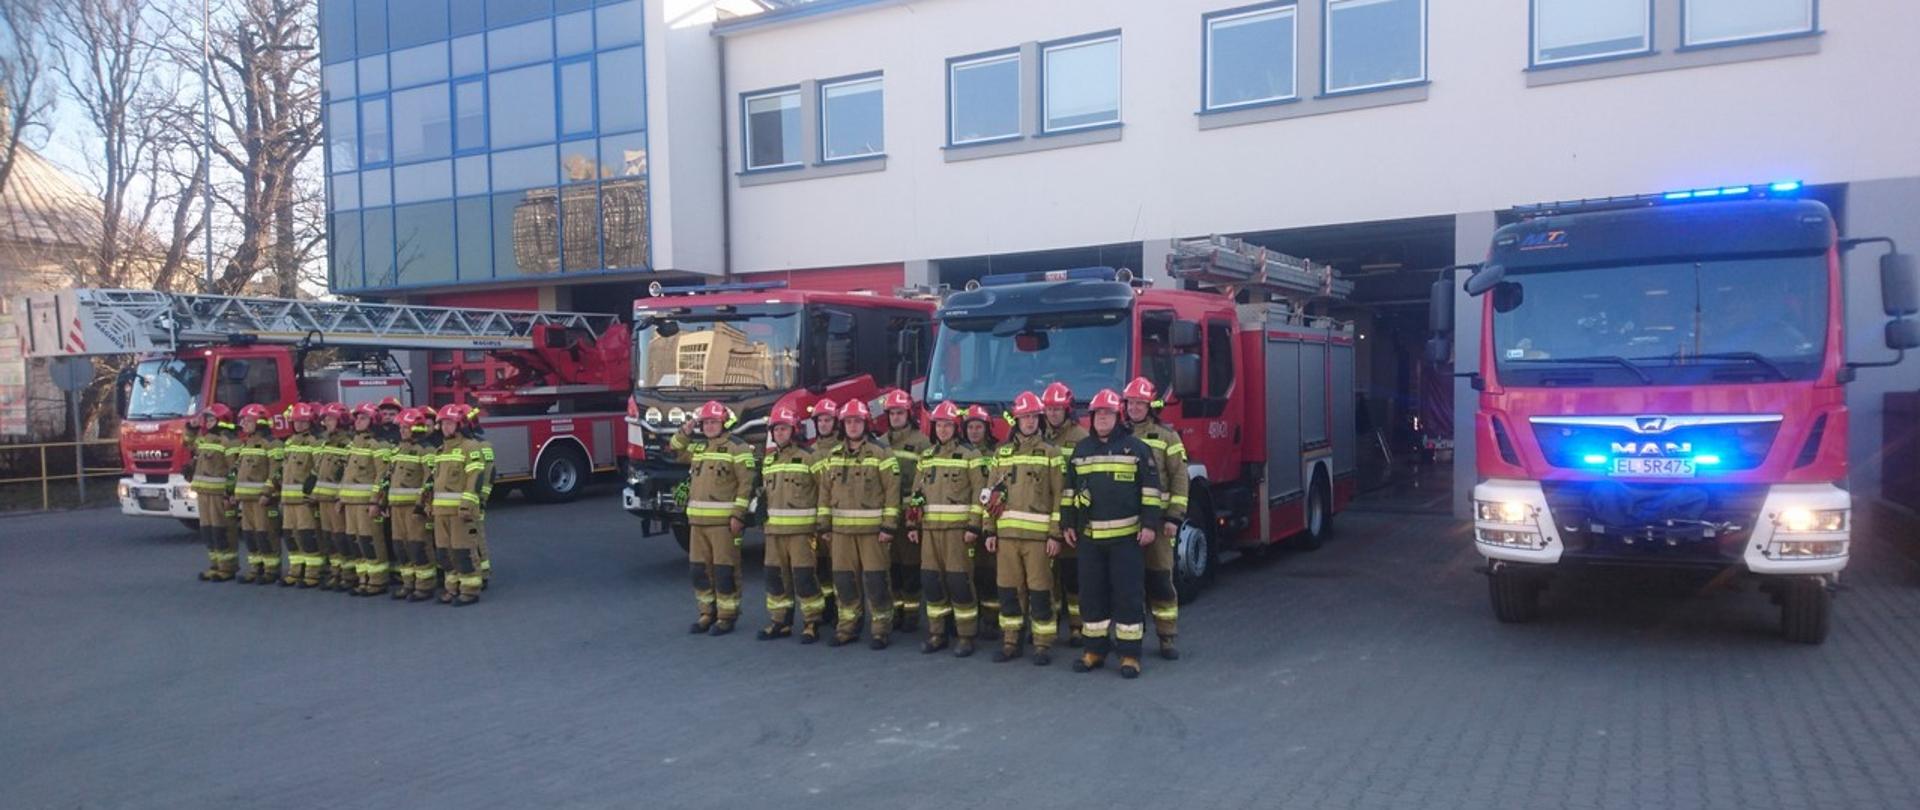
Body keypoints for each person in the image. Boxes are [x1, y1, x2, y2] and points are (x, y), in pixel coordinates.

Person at [1063, 388, 1162, 679]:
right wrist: (1067, 524)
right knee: (1091, 595)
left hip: (1126, 540)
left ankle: (1129, 655)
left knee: (1127, 596)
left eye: (1107, 414)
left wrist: (1149, 525)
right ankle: (1094, 650)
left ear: (1118, 417)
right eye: (1097, 415)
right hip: (1090, 539)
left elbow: (1151, 491)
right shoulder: (1081, 450)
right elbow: (1069, 492)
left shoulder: (1137, 449)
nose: (1102, 419)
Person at [982, 390, 1065, 665]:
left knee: (1040, 591)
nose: (1029, 421)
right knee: (1008, 591)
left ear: (1040, 419)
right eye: (1024, 417)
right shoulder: (1001, 453)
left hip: (1038, 539)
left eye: (1033, 417)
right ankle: (1010, 642)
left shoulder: (1051, 453)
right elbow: (989, 494)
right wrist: (989, 530)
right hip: (1006, 537)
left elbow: (1060, 497)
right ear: (1016, 420)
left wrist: (1055, 535)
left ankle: (1042, 644)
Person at [819, 398, 901, 649]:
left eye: (857, 421)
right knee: (844, 582)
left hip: (872, 533)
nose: (853, 426)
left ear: (866, 423)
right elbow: (824, 492)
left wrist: (889, 526)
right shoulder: (833, 455)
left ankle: (880, 630)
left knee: (876, 582)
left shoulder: (882, 453)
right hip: (841, 533)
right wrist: (824, 525)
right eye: (848, 422)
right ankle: (847, 627)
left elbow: (892, 492)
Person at [669, 400, 756, 635]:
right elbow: (675, 450)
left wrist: (738, 516)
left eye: (713, 422)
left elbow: (746, 485)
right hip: (697, 524)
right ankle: (707, 613)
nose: (709, 426)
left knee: (724, 571)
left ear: (723, 423)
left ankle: (727, 617)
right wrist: (686, 429)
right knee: (699, 571)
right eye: (705, 422)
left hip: (723, 524)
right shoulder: (699, 448)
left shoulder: (738, 448)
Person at [908, 402, 987, 656]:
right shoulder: (926, 456)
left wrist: (974, 526)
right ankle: (937, 633)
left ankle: (965, 636)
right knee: (931, 583)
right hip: (930, 532)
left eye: (947, 425)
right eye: (939, 425)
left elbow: (979, 494)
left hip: (958, 533)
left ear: (956, 428)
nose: (942, 430)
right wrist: (912, 523)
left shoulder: (970, 456)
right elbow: (917, 493)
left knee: (959, 583)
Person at [1123, 376, 1190, 660]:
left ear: (1150, 406)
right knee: (1130, 584)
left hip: (1160, 523)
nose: (1135, 408)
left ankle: (1167, 637)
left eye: (1140, 403)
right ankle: (1132, 637)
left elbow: (1180, 478)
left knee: (1160, 578)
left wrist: (1174, 517)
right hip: (1126, 524)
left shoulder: (1167, 437)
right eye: (1131, 403)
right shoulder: (1117, 435)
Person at [756, 403, 827, 642]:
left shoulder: (810, 457)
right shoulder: (769, 461)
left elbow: (824, 491)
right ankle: (780, 622)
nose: (779, 433)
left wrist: (822, 524)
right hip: (774, 533)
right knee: (775, 578)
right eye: (776, 429)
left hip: (802, 533)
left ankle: (812, 623)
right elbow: (764, 494)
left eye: (784, 429)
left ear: (794, 430)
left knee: (804, 578)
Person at [876, 388, 930, 632]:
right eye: (892, 413)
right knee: (892, 568)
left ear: (909, 414)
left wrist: (915, 518)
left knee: (910, 567)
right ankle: (897, 610)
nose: (896, 417)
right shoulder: (880, 443)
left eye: (900, 413)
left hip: (909, 515)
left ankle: (911, 614)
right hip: (886, 516)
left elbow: (924, 483)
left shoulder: (921, 442)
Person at [1040, 381, 1089, 645]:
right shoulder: (1039, 436)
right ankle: (1050, 624)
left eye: (1058, 409)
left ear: (1067, 410)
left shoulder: (1081, 437)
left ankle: (1077, 627)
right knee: (1048, 576)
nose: (1053, 413)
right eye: (1049, 409)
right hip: (1045, 516)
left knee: (1073, 576)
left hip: (1071, 516)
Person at [427, 403, 488, 606]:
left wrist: (467, 504)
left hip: (460, 512)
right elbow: (435, 482)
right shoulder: (440, 450)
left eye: (450, 423)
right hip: (440, 511)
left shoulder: (470, 447)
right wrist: (429, 503)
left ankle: (470, 590)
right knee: (445, 553)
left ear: (460, 424)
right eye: (443, 423)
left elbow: (475, 478)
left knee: (463, 552)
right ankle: (451, 589)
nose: (445, 427)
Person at [339, 403, 395, 596]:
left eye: (363, 418)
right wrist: (341, 498)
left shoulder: (379, 445)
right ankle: (363, 578)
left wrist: (375, 502)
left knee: (371, 541)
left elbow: (382, 476)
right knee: (356, 542)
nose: (358, 421)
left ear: (373, 421)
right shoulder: (353, 444)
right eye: (357, 418)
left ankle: (378, 580)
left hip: (366, 504)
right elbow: (347, 474)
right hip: (350, 503)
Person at [386, 406, 438, 601]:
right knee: (401, 547)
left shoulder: (426, 451)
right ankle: (408, 584)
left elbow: (429, 480)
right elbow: (388, 477)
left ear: (416, 429)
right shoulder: (397, 450)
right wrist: (382, 502)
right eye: (401, 428)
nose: (402, 431)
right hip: (396, 507)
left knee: (418, 546)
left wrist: (422, 505)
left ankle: (425, 585)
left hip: (414, 509)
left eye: (405, 428)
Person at [230, 403, 283, 585]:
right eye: (243, 420)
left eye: (248, 420)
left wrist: (267, 493)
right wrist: (232, 492)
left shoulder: (272, 444)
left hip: (263, 500)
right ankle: (255, 567)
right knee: (250, 535)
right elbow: (238, 471)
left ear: (260, 423)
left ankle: (271, 570)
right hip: (246, 500)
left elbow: (276, 471)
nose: (243, 424)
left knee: (265, 534)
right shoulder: (246, 444)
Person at [186, 404, 239, 582]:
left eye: (211, 419)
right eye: (206, 419)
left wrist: (230, 493)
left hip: (219, 495)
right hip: (204, 494)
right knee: (208, 531)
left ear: (221, 420)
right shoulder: (205, 438)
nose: (207, 422)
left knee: (221, 530)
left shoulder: (228, 441)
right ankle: (215, 565)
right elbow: (188, 444)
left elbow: (234, 469)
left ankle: (227, 567)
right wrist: (191, 428)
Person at [962, 404, 1002, 637]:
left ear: (987, 429)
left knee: (989, 572)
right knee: (968, 573)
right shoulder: (961, 452)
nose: (974, 431)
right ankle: (971, 616)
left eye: (978, 427)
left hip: (990, 518)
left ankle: (991, 619)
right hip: (968, 520)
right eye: (970, 427)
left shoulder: (997, 452)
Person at [277, 403, 324, 587]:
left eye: (303, 421)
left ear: (311, 422)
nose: (299, 425)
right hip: (288, 499)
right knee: (290, 537)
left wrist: (313, 493)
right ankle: (295, 571)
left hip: (304, 500)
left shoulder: (315, 442)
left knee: (307, 536)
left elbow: (318, 469)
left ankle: (313, 573)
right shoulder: (289, 442)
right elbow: (283, 469)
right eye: (296, 421)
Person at [312, 403, 354, 591]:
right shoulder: (324, 443)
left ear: (341, 421)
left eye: (330, 419)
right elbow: (318, 470)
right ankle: (336, 572)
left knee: (341, 538)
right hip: (323, 499)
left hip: (337, 501)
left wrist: (340, 497)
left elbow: (348, 475)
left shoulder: (348, 445)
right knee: (329, 538)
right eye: (325, 419)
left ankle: (348, 574)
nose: (326, 422)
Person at [807, 397, 842, 615]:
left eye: (828, 420)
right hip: (816, 520)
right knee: (820, 567)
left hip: (838, 520)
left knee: (839, 567)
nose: (823, 424)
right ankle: (827, 607)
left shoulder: (844, 449)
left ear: (835, 422)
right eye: (820, 420)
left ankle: (842, 609)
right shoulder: (810, 452)